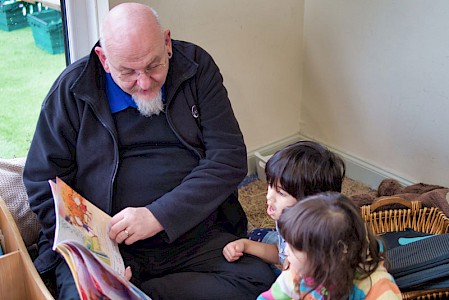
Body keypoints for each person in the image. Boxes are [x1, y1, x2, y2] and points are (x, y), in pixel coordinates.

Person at [23, 3, 276, 299]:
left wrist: (157, 216)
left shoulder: (196, 67)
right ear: (104, 59)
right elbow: (44, 183)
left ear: (167, 43)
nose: (144, 83)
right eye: (127, 72)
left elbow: (229, 158)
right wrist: (99, 255)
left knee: (260, 282)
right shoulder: (71, 90)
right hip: (110, 245)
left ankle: (144, 293)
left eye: (153, 65)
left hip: (190, 229)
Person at [222, 141, 346, 273]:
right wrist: (245, 245)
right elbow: (279, 252)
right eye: (270, 185)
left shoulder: (311, 249)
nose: (269, 196)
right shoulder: (291, 221)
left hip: (301, 281)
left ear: (310, 204)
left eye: (281, 193)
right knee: (254, 235)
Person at [257, 192, 402, 300]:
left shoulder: (376, 289)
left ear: (328, 255)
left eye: (295, 249)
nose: (286, 251)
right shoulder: (299, 271)